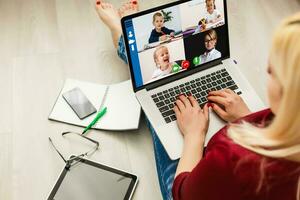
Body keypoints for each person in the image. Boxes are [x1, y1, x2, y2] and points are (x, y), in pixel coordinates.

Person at [97, 2, 300, 199]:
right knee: (164, 77)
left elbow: (182, 193)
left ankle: (121, 34)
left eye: (276, 70)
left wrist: (194, 135)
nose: (268, 69)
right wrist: (248, 118)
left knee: (157, 96)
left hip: (193, 187)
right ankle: (125, 38)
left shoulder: (231, 157)